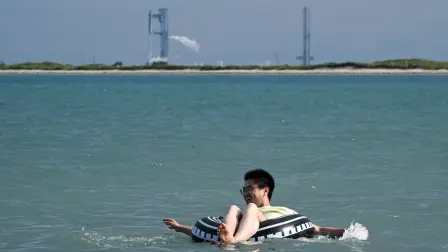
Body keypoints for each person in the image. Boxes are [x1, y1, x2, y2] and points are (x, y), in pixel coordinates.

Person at [163, 168, 349, 244]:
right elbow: (208, 230)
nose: (245, 194)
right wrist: (180, 228)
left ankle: (232, 242)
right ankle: (230, 239)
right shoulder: (242, 213)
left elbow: (316, 228)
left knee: (251, 208)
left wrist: (346, 232)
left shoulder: (286, 212)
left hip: (260, 231)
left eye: (249, 189)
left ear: (265, 190)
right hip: (241, 234)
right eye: (243, 190)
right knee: (234, 208)